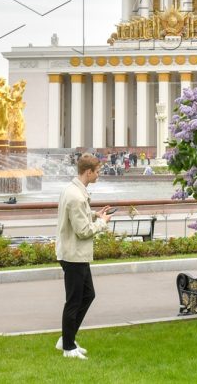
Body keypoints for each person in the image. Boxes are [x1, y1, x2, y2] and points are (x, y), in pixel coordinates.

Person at [55, 153, 113, 359]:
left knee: (88, 295)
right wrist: (102, 222)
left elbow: (77, 217)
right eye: (97, 172)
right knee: (74, 301)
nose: (99, 175)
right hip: (74, 255)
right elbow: (83, 231)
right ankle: (68, 347)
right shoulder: (77, 196)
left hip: (74, 254)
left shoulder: (72, 190)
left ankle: (67, 338)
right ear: (88, 172)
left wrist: (94, 214)